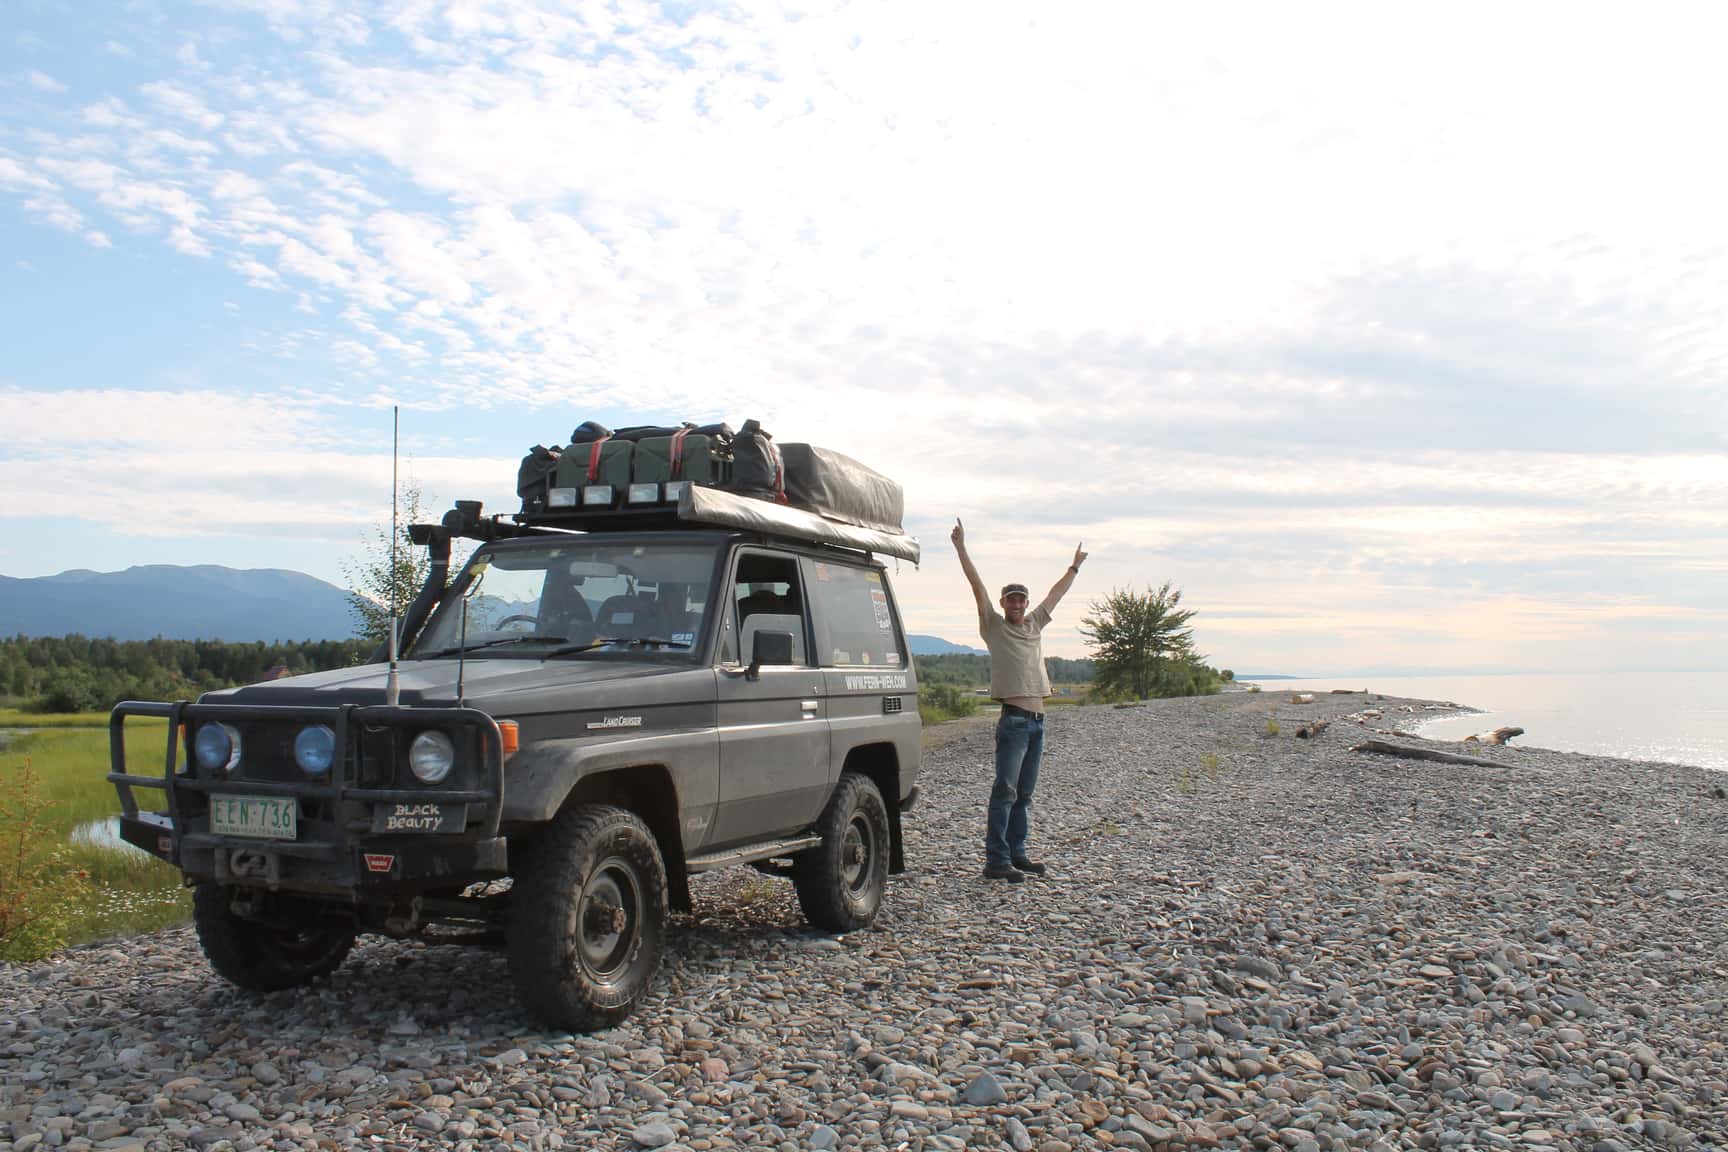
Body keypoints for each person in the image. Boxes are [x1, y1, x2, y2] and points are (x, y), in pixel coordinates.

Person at [951, 519, 1087, 882]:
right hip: (1013, 721)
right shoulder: (993, 626)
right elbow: (975, 584)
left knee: (1024, 794)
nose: (1016, 604)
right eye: (1011, 599)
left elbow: (1056, 594)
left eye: (1021, 599)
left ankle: (1017, 853)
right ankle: (996, 861)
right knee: (1005, 791)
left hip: (1038, 723)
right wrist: (961, 548)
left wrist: (1074, 566)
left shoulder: (1035, 624)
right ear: (1002, 603)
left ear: (1025, 603)